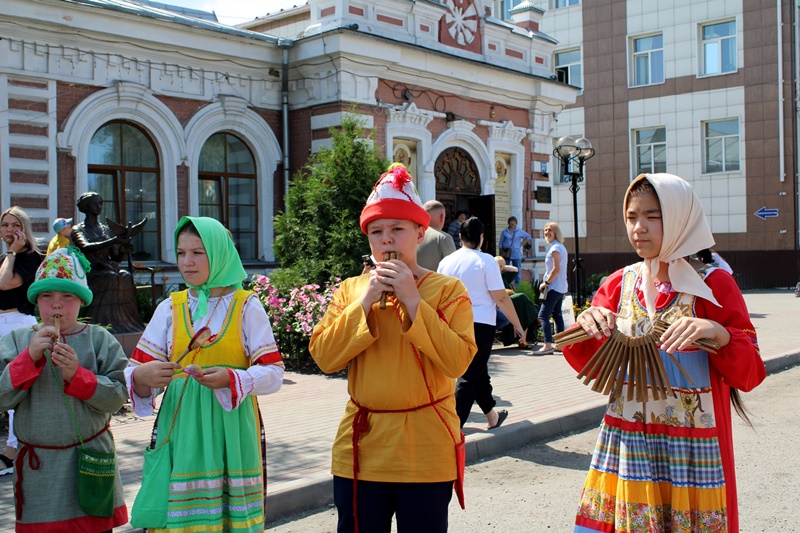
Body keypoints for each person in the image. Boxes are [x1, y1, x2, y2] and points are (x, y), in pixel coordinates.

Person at [561, 173, 766, 533]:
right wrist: (590, 322)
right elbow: (588, 362)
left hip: (692, 450)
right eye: (631, 217)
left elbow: (750, 373)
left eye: (652, 217)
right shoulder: (618, 284)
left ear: (680, 217)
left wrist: (720, 335)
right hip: (631, 443)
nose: (639, 228)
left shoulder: (713, 285)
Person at [309, 163, 477, 533]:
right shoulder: (351, 290)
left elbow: (458, 362)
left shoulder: (448, 291)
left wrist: (413, 301)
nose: (386, 240)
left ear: (420, 233)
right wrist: (365, 302)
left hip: (425, 445)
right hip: (361, 447)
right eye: (376, 231)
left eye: (397, 229)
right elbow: (323, 356)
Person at [126, 216, 284, 532]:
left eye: (198, 252)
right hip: (180, 423)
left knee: (229, 516)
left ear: (220, 253)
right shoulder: (170, 307)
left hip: (231, 424)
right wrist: (144, 377)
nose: (187, 262)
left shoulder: (245, 305)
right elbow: (136, 371)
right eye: (181, 253)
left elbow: (274, 372)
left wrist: (234, 378)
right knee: (179, 518)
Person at [0, 246, 129, 531]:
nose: (56, 305)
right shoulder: (18, 341)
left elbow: (118, 396)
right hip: (40, 470)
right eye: (47, 296)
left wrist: (77, 375)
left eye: (67, 296)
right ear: (36, 301)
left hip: (90, 461)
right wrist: (29, 358)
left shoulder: (100, 340)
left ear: (81, 301)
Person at [438, 217, 524, 429]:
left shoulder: (446, 262)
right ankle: (453, 428)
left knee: (478, 371)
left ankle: (492, 416)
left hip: (452, 323)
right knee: (470, 376)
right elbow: (501, 297)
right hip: (480, 324)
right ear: (482, 238)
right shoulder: (486, 261)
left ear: (460, 237)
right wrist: (518, 324)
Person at [0, 206, 43, 476]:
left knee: (17, 384)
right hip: (1, 323)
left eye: (14, 225)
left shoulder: (30, 258)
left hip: (18, 323)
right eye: (4, 225)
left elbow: (5, 284)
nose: (8, 230)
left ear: (24, 229)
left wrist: (14, 253)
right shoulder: (6, 257)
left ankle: (12, 448)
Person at [71, 191, 144, 332]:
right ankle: (102, 323)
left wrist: (123, 247)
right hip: (90, 272)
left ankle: (126, 324)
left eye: (101, 203)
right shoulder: (78, 229)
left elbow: (115, 257)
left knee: (126, 276)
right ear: (86, 207)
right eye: (95, 203)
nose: (99, 206)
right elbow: (85, 247)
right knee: (111, 278)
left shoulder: (106, 230)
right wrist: (114, 240)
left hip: (107, 268)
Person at [533, 221, 568, 355]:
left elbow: (556, 269)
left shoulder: (555, 249)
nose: (547, 232)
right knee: (557, 314)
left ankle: (547, 345)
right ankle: (560, 344)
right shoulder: (560, 247)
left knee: (543, 315)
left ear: (556, 233)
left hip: (553, 287)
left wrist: (546, 283)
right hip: (561, 287)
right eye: (546, 230)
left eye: (550, 230)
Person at [494, 256, 537, 349]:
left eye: (500, 266)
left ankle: (523, 340)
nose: (499, 267)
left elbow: (515, 269)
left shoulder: (503, 276)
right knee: (522, 298)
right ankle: (536, 318)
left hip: (510, 302)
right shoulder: (491, 277)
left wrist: (502, 267)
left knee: (523, 309)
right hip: (503, 302)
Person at [416, 200, 456, 271]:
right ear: (442, 217)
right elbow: (452, 269)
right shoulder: (443, 238)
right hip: (435, 281)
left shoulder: (411, 235)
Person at [498, 216, 532, 285]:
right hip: (506, 253)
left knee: (517, 270)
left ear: (516, 223)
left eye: (514, 222)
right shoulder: (505, 231)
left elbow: (528, 236)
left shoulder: (519, 231)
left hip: (516, 253)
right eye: (511, 221)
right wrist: (500, 253)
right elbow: (501, 242)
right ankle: (506, 285)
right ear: (508, 223)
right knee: (505, 269)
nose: (512, 223)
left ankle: (518, 287)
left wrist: (522, 243)